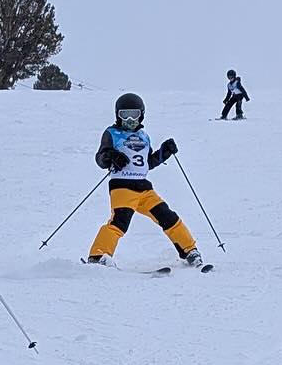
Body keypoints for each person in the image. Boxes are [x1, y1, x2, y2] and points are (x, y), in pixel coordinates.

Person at [86, 93, 204, 268]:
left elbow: (148, 163)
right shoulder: (112, 133)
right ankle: (97, 256)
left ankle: (190, 251)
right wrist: (111, 156)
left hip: (144, 188)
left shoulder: (144, 136)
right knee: (120, 221)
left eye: (134, 114)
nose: (130, 119)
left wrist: (165, 152)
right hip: (122, 187)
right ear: (117, 114)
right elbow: (100, 158)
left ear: (142, 114)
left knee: (168, 217)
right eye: (124, 114)